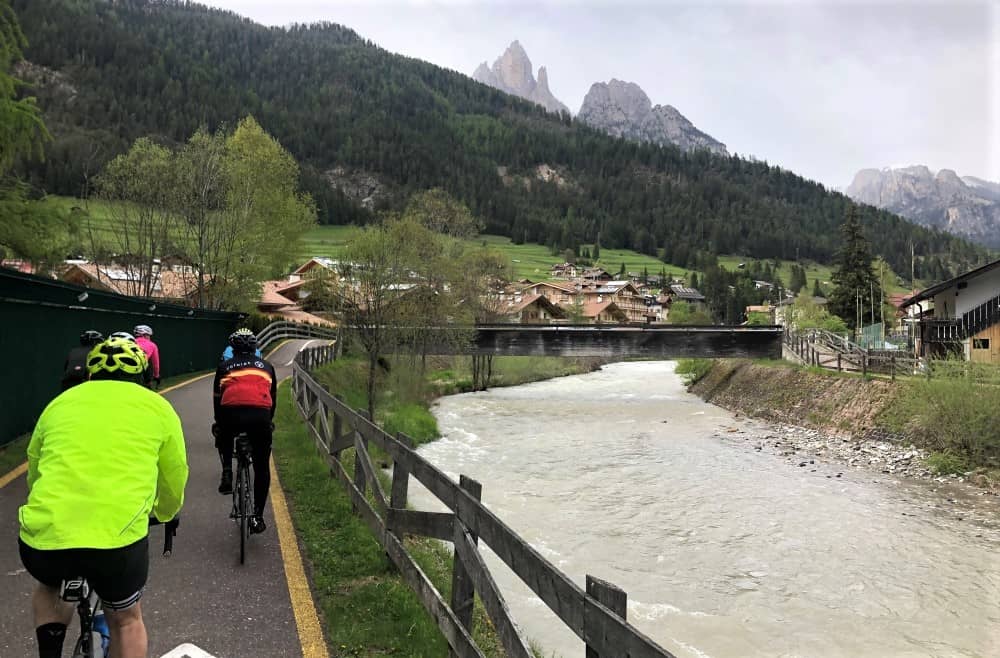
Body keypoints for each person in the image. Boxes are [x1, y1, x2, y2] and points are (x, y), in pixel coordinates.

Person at [19, 337, 188, 658]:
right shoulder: (158, 407)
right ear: (144, 375)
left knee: (50, 587)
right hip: (117, 547)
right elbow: (174, 475)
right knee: (126, 619)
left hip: (45, 539)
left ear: (90, 374)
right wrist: (165, 512)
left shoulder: (60, 403)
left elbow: (35, 467)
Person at [213, 328, 277, 535]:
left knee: (223, 431)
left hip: (231, 414)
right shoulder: (267, 367)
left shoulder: (224, 366)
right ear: (255, 347)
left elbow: (217, 400)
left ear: (233, 348)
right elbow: (272, 400)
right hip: (260, 416)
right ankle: (258, 516)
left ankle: (227, 472)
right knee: (261, 467)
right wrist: (269, 422)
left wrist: (219, 424)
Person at [133, 324, 161, 389]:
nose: (149, 337)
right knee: (146, 364)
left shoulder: (130, 342)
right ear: (144, 335)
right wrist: (156, 375)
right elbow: (155, 364)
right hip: (141, 369)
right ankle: (148, 385)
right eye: (149, 335)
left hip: (126, 369)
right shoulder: (152, 345)